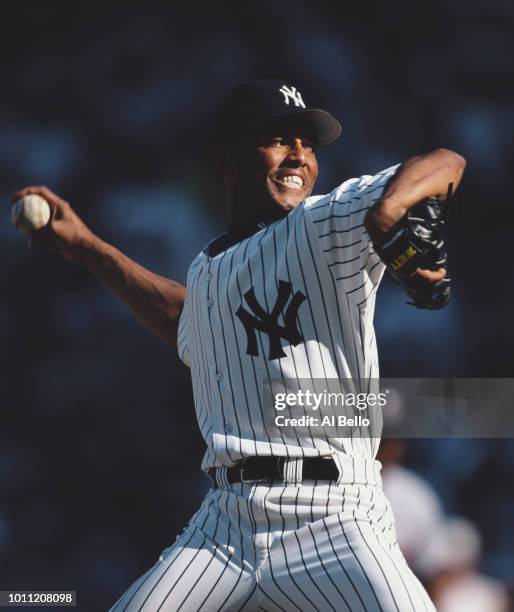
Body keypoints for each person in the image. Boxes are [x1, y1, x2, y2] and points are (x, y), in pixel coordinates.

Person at [14, 79, 466, 611]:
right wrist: (87, 247)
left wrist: (391, 207)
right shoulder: (207, 270)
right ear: (226, 159)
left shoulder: (324, 224)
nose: (299, 153)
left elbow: (446, 161)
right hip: (225, 524)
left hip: (336, 517)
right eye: (278, 138)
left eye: (308, 143)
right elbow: (188, 318)